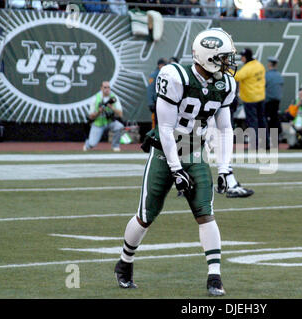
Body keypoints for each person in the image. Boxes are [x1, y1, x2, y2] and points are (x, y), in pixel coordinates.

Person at [114, 28, 251, 296]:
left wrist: (225, 169)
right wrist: (175, 169)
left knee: (205, 212)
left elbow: (224, 129)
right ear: (208, 57)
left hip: (195, 151)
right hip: (165, 153)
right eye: (223, 58)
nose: (228, 64)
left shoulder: (225, 84)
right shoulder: (175, 76)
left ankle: (214, 277)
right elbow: (164, 128)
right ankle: (124, 263)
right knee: (146, 215)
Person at [234, 48, 267, 150]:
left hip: (250, 99)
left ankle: (256, 144)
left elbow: (236, 77)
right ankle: (266, 142)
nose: (241, 58)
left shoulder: (247, 68)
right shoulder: (259, 65)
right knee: (262, 121)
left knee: (253, 122)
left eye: (242, 57)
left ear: (246, 57)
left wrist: (228, 70)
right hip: (260, 97)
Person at [83, 81, 124, 152]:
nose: (107, 89)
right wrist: (99, 111)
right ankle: (87, 144)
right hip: (98, 123)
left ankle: (115, 146)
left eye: (108, 87)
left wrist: (111, 107)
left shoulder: (114, 97)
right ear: (101, 88)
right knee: (92, 144)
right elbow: (91, 116)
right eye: (105, 87)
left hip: (110, 121)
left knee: (119, 126)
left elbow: (120, 114)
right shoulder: (96, 98)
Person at [264, 56, 284, 143]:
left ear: (269, 64)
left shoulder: (267, 76)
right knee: (275, 120)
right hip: (276, 103)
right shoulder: (279, 76)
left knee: (266, 121)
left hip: (268, 102)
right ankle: (276, 140)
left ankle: (266, 140)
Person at [147, 58, 168, 129]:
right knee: (156, 122)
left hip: (164, 102)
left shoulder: (165, 73)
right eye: (163, 65)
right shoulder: (154, 75)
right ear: (160, 65)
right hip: (156, 102)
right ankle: (154, 137)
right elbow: (150, 89)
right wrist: (151, 103)